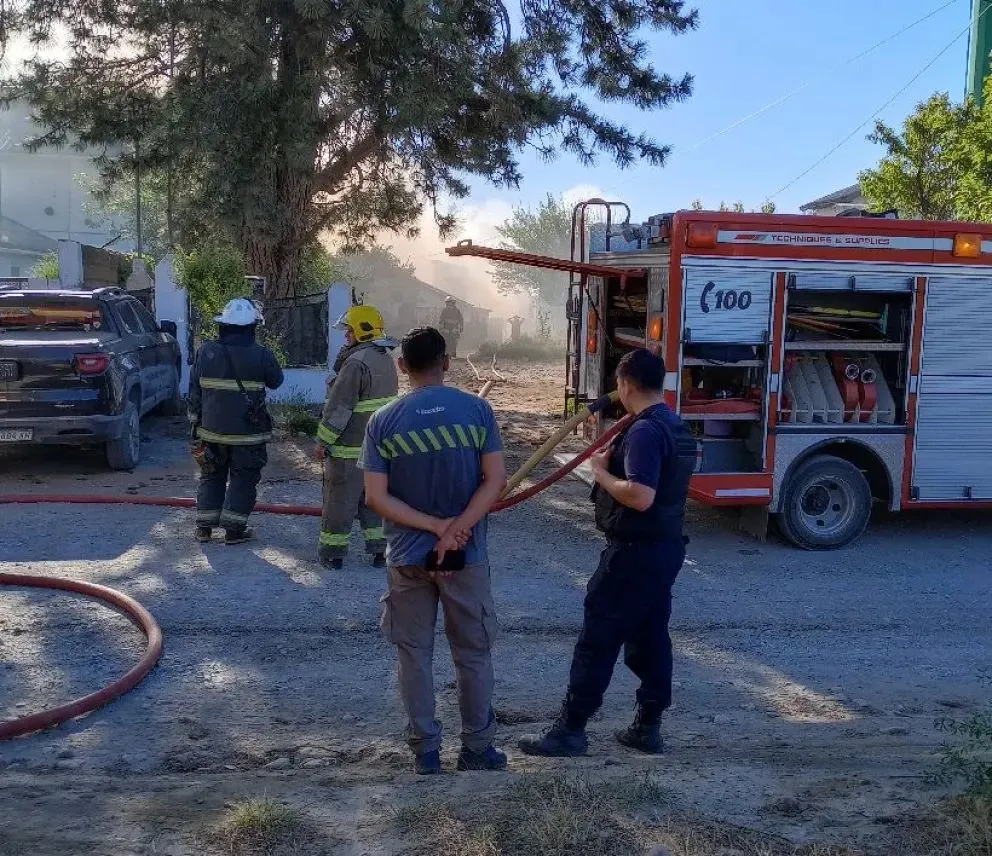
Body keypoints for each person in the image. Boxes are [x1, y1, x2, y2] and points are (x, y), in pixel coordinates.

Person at [519, 348, 696, 757]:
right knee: (650, 638)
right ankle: (647, 727)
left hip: (633, 554)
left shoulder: (647, 432)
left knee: (598, 638)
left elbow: (639, 495)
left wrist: (599, 473)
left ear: (626, 384)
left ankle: (569, 730)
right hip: (662, 550)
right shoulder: (671, 424)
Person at [360, 326, 507, 775]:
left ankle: (425, 752)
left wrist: (433, 527)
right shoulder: (477, 411)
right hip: (466, 557)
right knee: (473, 654)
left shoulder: (382, 421)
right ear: (446, 362)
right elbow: (496, 481)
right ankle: (478, 749)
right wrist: (456, 529)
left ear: (402, 366)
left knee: (413, 654)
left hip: (407, 558)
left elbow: (376, 498)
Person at [188, 298, 284, 545]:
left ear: (224, 325)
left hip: (210, 432)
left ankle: (204, 528)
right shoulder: (262, 355)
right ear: (252, 327)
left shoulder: (205, 352)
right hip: (248, 436)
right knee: (243, 479)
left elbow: (194, 392)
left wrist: (194, 425)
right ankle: (234, 530)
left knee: (211, 476)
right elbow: (276, 381)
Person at [315, 304, 399, 569]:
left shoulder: (355, 363)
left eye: (349, 331)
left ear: (361, 332)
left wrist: (322, 441)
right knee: (373, 501)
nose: (346, 336)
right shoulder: (384, 358)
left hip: (348, 450)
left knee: (339, 501)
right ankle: (379, 551)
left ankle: (333, 553)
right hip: (378, 450)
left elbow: (339, 408)